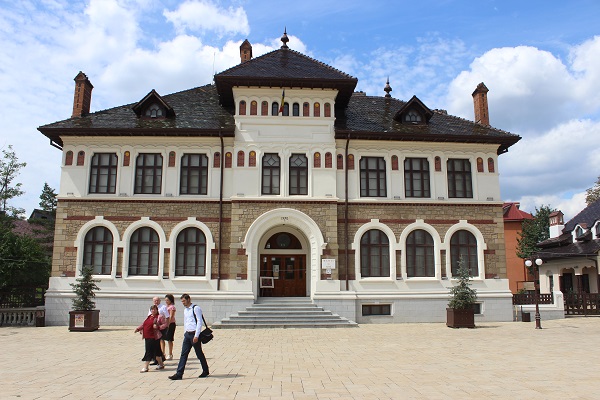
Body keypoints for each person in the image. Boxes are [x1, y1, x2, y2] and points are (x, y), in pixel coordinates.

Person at [168, 294, 209, 380]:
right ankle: (179, 374)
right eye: (182, 301)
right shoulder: (185, 310)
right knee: (183, 354)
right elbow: (186, 321)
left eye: (184, 301)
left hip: (194, 334)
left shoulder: (196, 308)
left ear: (188, 299)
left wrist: (196, 335)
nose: (183, 303)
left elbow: (199, 322)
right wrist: (185, 332)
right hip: (187, 334)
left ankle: (205, 370)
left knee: (199, 353)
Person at [135, 304, 168, 372]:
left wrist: (158, 327)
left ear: (157, 310)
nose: (153, 310)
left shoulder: (159, 316)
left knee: (149, 351)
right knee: (157, 352)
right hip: (147, 336)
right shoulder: (149, 317)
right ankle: (161, 365)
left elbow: (165, 324)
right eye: (152, 309)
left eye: (155, 309)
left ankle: (146, 367)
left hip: (154, 337)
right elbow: (144, 324)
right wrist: (138, 329)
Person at [149, 296, 170, 364]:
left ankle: (162, 355)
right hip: (153, 329)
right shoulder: (151, 307)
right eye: (155, 300)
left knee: (160, 341)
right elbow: (148, 317)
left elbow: (167, 317)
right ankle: (156, 359)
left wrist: (166, 326)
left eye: (157, 300)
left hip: (161, 328)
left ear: (160, 301)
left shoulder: (163, 307)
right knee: (154, 344)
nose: (156, 302)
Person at [163, 294, 177, 360]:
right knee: (162, 339)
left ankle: (170, 353)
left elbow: (171, 316)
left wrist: (168, 324)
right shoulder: (165, 307)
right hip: (165, 324)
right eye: (165, 300)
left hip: (170, 324)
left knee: (169, 339)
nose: (166, 301)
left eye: (167, 300)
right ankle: (163, 353)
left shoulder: (172, 307)